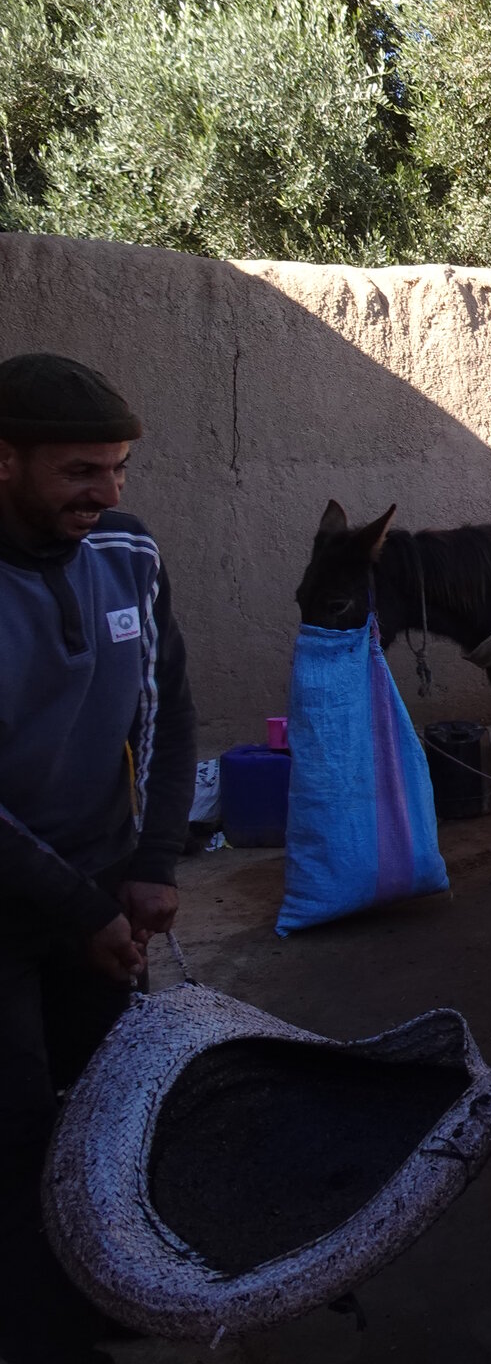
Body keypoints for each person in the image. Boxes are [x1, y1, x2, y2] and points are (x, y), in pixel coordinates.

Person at [0, 354, 197, 1364]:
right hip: (20, 905)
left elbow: (165, 707)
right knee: (17, 1127)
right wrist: (85, 908)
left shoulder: (127, 548)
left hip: (95, 887)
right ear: (6, 461)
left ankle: (102, 1288)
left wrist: (153, 860)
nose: (109, 493)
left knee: (103, 1116)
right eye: (82, 470)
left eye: (119, 467)